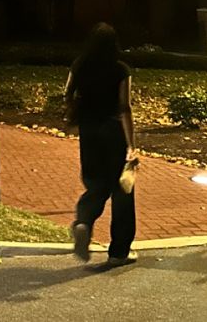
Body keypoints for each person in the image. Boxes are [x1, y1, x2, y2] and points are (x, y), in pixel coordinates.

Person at [65, 22, 137, 267]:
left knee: (95, 183)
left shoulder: (80, 65)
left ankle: (83, 221)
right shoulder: (120, 69)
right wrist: (132, 144)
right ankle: (119, 251)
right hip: (114, 131)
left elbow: (68, 91)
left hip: (89, 131)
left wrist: (76, 114)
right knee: (122, 191)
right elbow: (124, 106)